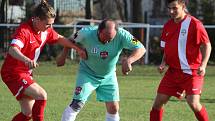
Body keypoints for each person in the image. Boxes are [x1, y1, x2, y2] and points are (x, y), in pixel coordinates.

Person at [0, 1, 86, 121]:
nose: (50, 27)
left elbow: (60, 38)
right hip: (13, 73)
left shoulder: (45, 31)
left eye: (51, 24)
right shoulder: (24, 31)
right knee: (41, 95)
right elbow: (12, 49)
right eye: (47, 24)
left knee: (27, 113)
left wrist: (77, 49)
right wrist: (26, 59)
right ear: (36, 19)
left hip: (25, 73)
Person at [56, 19, 146, 121]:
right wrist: (77, 50)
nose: (107, 42)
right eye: (105, 38)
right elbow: (69, 40)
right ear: (99, 31)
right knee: (77, 104)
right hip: (87, 73)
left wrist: (130, 60)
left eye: (110, 39)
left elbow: (141, 48)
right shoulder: (86, 32)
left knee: (114, 108)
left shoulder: (123, 34)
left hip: (109, 76)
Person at [149, 0, 212, 121]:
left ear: (183, 6)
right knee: (157, 103)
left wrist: (203, 65)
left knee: (193, 103)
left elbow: (207, 45)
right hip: (173, 73)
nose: (171, 11)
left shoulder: (195, 24)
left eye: (175, 8)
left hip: (192, 72)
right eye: (169, 8)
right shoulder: (168, 25)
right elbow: (167, 48)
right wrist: (163, 63)